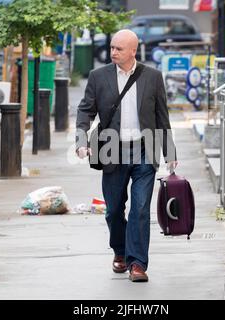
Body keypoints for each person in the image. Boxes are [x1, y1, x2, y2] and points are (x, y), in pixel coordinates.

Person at [75, 29, 177, 282]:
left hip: (145, 149)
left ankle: (137, 263)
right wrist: (80, 140)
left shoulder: (152, 77)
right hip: (112, 150)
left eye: (119, 49)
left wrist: (170, 152)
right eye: (111, 48)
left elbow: (162, 117)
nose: (113, 53)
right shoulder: (99, 77)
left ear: (133, 50)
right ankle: (120, 251)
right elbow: (85, 110)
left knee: (140, 209)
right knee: (113, 210)